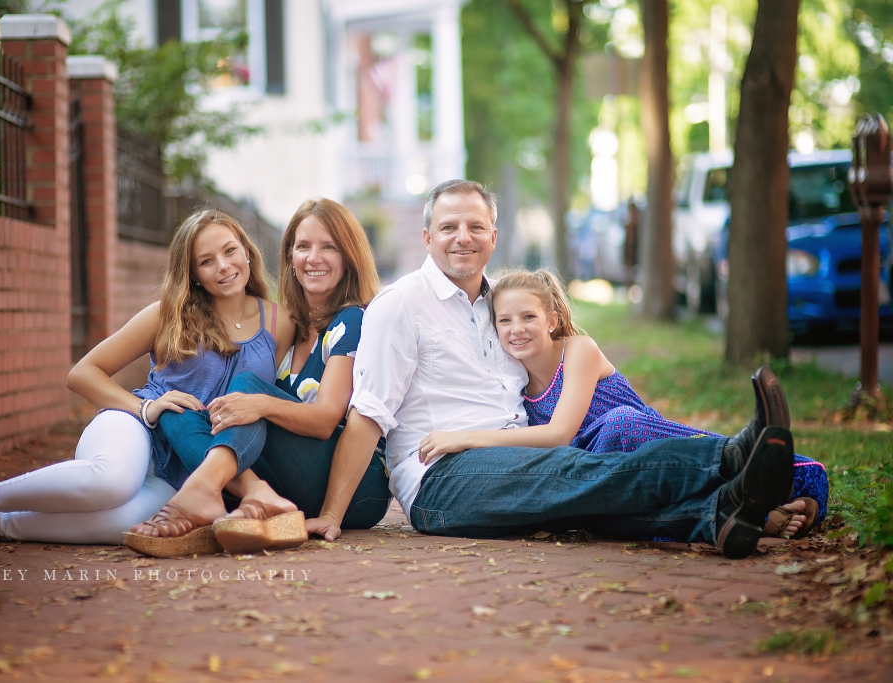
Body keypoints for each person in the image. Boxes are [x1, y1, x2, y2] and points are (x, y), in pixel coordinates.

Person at [305, 179, 796, 561]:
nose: (463, 237)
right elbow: (369, 413)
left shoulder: (501, 303)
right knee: (574, 472)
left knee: (581, 494)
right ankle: (730, 458)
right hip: (441, 479)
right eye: (450, 227)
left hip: (516, 454)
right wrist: (331, 514)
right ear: (427, 236)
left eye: (476, 226)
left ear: (493, 237)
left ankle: (719, 515)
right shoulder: (400, 305)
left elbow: (556, 362)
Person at [0, 210, 294, 546]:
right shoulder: (167, 314)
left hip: (188, 468)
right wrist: (145, 408)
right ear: (193, 274)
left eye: (230, 251)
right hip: (135, 427)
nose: (223, 267)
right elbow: (82, 373)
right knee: (110, 483)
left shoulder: (279, 322)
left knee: (122, 526)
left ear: (248, 252)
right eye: (207, 261)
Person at [416, 268, 827, 539]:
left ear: (552, 320)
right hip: (603, 476)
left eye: (528, 317)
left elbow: (558, 434)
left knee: (619, 426)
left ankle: (783, 476)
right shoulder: (512, 382)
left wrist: (465, 438)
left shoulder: (579, 349)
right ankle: (750, 510)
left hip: (641, 443)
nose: (516, 329)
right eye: (504, 321)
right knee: (611, 492)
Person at [126, 198, 391, 556]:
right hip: (294, 479)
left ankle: (203, 491)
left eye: (329, 247)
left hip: (355, 490)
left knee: (249, 390)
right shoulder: (291, 327)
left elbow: (326, 420)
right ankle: (256, 497)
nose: (314, 258)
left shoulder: (351, 321)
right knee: (178, 407)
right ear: (290, 258)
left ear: (349, 257)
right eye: (303, 247)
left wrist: (260, 403)